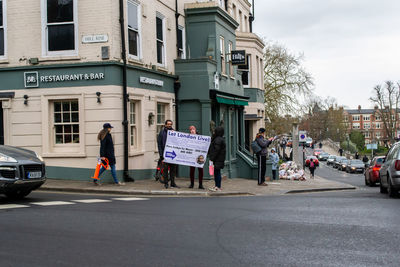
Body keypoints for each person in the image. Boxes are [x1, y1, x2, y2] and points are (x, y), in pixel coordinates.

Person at [157, 120, 178, 189]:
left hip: (173, 154)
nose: (169, 125)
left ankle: (173, 183)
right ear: (165, 125)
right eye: (168, 124)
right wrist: (161, 154)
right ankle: (166, 183)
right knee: (165, 170)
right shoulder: (162, 133)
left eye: (170, 124)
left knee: (173, 170)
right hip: (165, 154)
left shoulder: (174, 132)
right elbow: (159, 144)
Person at [208, 126, 226, 191]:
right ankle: (217, 186)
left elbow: (216, 150)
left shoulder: (218, 139)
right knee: (217, 172)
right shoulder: (220, 139)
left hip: (217, 159)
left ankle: (217, 187)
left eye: (215, 131)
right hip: (219, 159)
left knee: (217, 173)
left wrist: (212, 158)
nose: (214, 132)